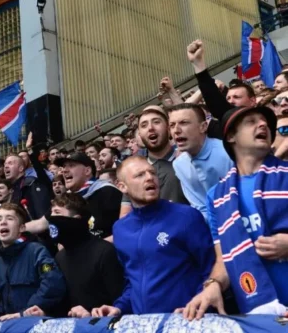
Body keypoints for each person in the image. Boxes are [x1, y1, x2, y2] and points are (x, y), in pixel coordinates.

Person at [180, 106, 288, 320]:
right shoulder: (217, 197)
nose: (263, 124)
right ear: (230, 136)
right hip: (261, 316)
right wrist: (213, 285)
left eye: (265, 121)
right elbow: (225, 258)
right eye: (251, 122)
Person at [91, 157, 215, 317]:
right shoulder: (120, 229)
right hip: (144, 324)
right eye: (140, 175)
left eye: (152, 173)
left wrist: (199, 304)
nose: (150, 178)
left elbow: (210, 269)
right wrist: (119, 307)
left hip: (187, 321)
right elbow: (132, 281)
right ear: (122, 186)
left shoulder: (186, 216)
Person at [0, 204, 65, 320]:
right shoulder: (0, 262)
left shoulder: (36, 251)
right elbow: (6, 300)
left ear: (21, 228)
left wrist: (25, 313)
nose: (3, 222)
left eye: (10, 218)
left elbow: (53, 284)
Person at [50, 194, 124, 318]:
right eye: (51, 213)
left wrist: (91, 315)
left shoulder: (105, 251)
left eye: (57, 212)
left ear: (76, 219)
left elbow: (118, 302)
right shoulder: (59, 257)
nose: (52, 218)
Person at [26, 153, 122, 241]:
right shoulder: (66, 198)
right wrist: (17, 229)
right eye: (63, 166)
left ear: (87, 171)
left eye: (71, 165)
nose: (64, 170)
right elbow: (41, 224)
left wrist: (95, 248)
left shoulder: (108, 192)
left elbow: (127, 230)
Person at [169, 103, 233, 218]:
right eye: (172, 125)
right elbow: (200, 207)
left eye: (184, 123)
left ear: (203, 127)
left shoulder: (227, 153)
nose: (176, 130)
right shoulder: (179, 164)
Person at [3, 154, 52, 221]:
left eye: (10, 163)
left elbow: (41, 214)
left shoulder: (32, 183)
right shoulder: (12, 190)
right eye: (5, 164)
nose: (5, 166)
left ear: (21, 168)